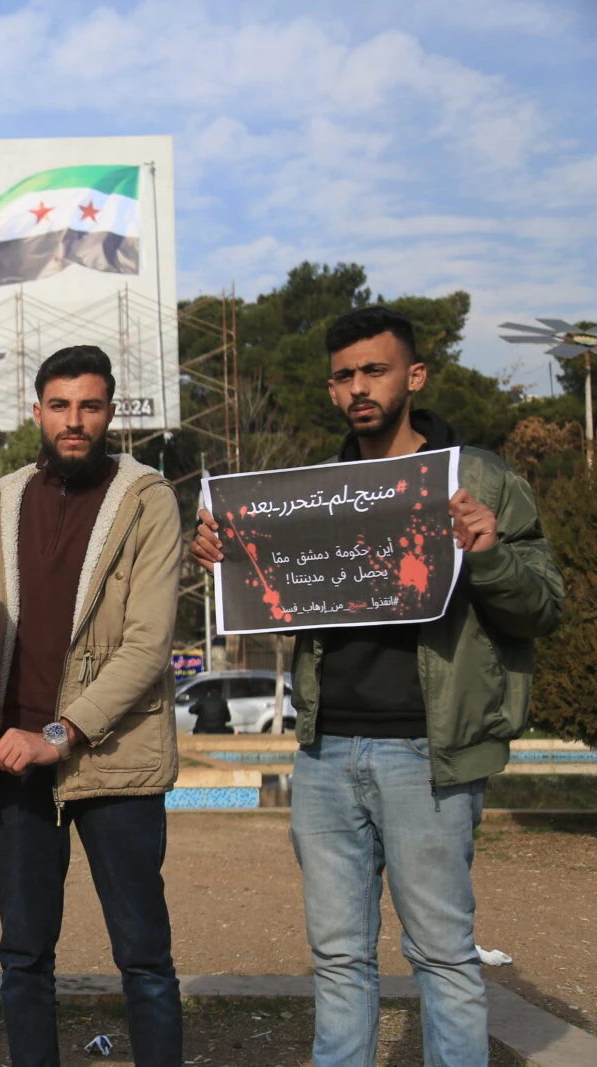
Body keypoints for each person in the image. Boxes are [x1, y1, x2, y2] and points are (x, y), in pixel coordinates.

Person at [192, 306, 565, 1067]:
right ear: (331, 389)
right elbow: (276, 596)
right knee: (337, 959)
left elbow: (545, 603)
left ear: (413, 376)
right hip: (325, 755)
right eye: (345, 375)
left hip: (429, 753)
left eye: (376, 369)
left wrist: (489, 553)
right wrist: (228, 560)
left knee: (443, 957)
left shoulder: (478, 476)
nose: (360, 386)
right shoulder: (309, 492)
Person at [0, 346, 183, 1067]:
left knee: (143, 958)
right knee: (23, 959)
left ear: (111, 411)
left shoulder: (147, 498)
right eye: (60, 405)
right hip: (14, 761)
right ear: (37, 411)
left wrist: (63, 730)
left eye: (89, 405)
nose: (73, 421)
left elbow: (148, 646)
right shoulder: (5, 496)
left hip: (112, 758)